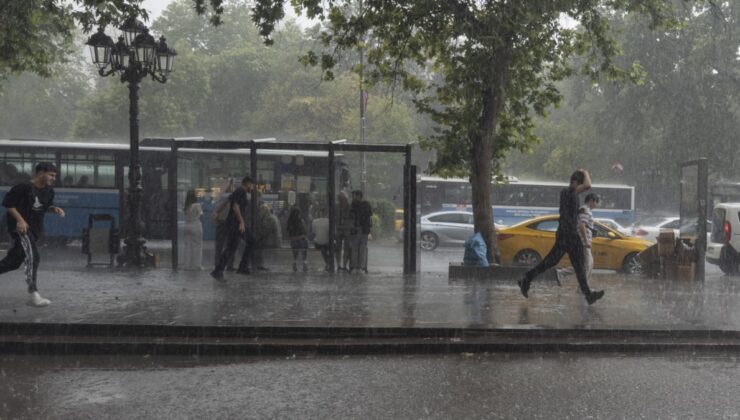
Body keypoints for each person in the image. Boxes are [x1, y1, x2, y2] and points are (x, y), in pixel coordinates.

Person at [517, 170, 605, 305]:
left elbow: (569, 212)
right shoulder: (568, 191)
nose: (582, 189)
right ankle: (526, 279)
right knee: (564, 263)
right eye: (580, 184)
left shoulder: (571, 195)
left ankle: (527, 279)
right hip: (567, 235)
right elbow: (588, 185)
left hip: (567, 234)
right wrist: (585, 171)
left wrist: (578, 214)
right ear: (575, 182)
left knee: (570, 264)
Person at [0, 162, 65, 307]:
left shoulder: (49, 191)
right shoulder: (23, 188)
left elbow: (42, 206)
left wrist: (54, 209)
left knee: (13, 262)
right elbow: (9, 205)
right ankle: (33, 294)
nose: (53, 178)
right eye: (51, 175)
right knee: (33, 256)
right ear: (41, 173)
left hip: (35, 230)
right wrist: (20, 220)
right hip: (21, 229)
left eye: (55, 176)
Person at [211, 176, 255, 280]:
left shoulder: (237, 191)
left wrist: (216, 212)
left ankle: (219, 270)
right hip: (235, 224)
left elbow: (226, 202)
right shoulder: (241, 191)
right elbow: (236, 207)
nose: (252, 188)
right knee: (251, 241)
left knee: (231, 247)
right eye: (251, 185)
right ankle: (242, 267)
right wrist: (242, 222)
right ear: (247, 183)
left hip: (232, 224)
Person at [211, 179, 236, 270]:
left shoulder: (221, 197)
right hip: (226, 224)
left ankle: (221, 265)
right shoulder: (228, 197)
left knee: (221, 246)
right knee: (227, 246)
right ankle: (228, 265)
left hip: (223, 223)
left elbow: (215, 212)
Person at [349, 190, 373, 273]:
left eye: (354, 196)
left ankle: (355, 266)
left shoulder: (355, 205)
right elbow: (369, 216)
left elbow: (353, 216)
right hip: (364, 230)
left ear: (358, 196)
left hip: (357, 229)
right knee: (362, 248)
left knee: (355, 248)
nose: (353, 198)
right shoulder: (366, 204)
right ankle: (361, 267)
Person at [578, 193, 599, 280]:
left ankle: (561, 273)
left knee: (587, 264)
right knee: (588, 264)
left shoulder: (587, 210)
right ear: (591, 200)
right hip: (583, 242)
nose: (596, 205)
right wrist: (586, 241)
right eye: (596, 202)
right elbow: (582, 225)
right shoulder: (585, 210)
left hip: (585, 241)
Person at [253, 203, 281, 271]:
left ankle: (260, 264)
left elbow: (265, 232)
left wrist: (258, 230)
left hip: (272, 241)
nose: (259, 213)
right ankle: (260, 264)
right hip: (271, 240)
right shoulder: (270, 217)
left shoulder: (270, 219)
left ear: (264, 211)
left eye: (261, 211)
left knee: (256, 246)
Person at [182, 189, 203, 270]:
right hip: (195, 225)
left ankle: (187, 265)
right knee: (197, 246)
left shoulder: (186, 206)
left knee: (187, 246)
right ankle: (196, 265)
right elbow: (201, 215)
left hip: (187, 226)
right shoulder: (197, 205)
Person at [287, 206, 309, 272]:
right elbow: (305, 232)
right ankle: (304, 261)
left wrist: (294, 238)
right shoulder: (301, 221)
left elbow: (289, 234)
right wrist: (300, 237)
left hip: (293, 242)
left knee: (295, 249)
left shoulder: (289, 222)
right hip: (301, 241)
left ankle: (295, 261)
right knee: (304, 245)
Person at [335, 191, 352, 271]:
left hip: (347, 229)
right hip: (338, 228)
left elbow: (352, 218)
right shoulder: (337, 207)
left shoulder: (349, 207)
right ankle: (339, 265)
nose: (341, 201)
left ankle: (344, 265)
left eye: (343, 199)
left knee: (347, 248)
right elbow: (334, 217)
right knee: (338, 247)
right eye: (340, 199)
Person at [311, 207, 332, 271]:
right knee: (326, 248)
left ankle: (328, 263)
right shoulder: (329, 221)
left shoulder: (314, 221)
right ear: (326, 213)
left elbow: (313, 233)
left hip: (318, 243)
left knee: (323, 249)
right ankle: (328, 263)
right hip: (327, 243)